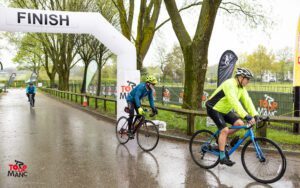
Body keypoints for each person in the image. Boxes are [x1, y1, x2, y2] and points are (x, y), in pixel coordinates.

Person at [205, 68, 258, 166]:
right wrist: (246, 116)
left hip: (224, 110)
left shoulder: (241, 88)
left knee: (239, 123)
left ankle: (221, 139)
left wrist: (255, 114)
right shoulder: (229, 84)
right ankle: (222, 156)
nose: (248, 82)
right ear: (241, 77)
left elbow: (247, 101)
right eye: (248, 79)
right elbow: (234, 101)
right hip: (213, 108)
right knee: (224, 130)